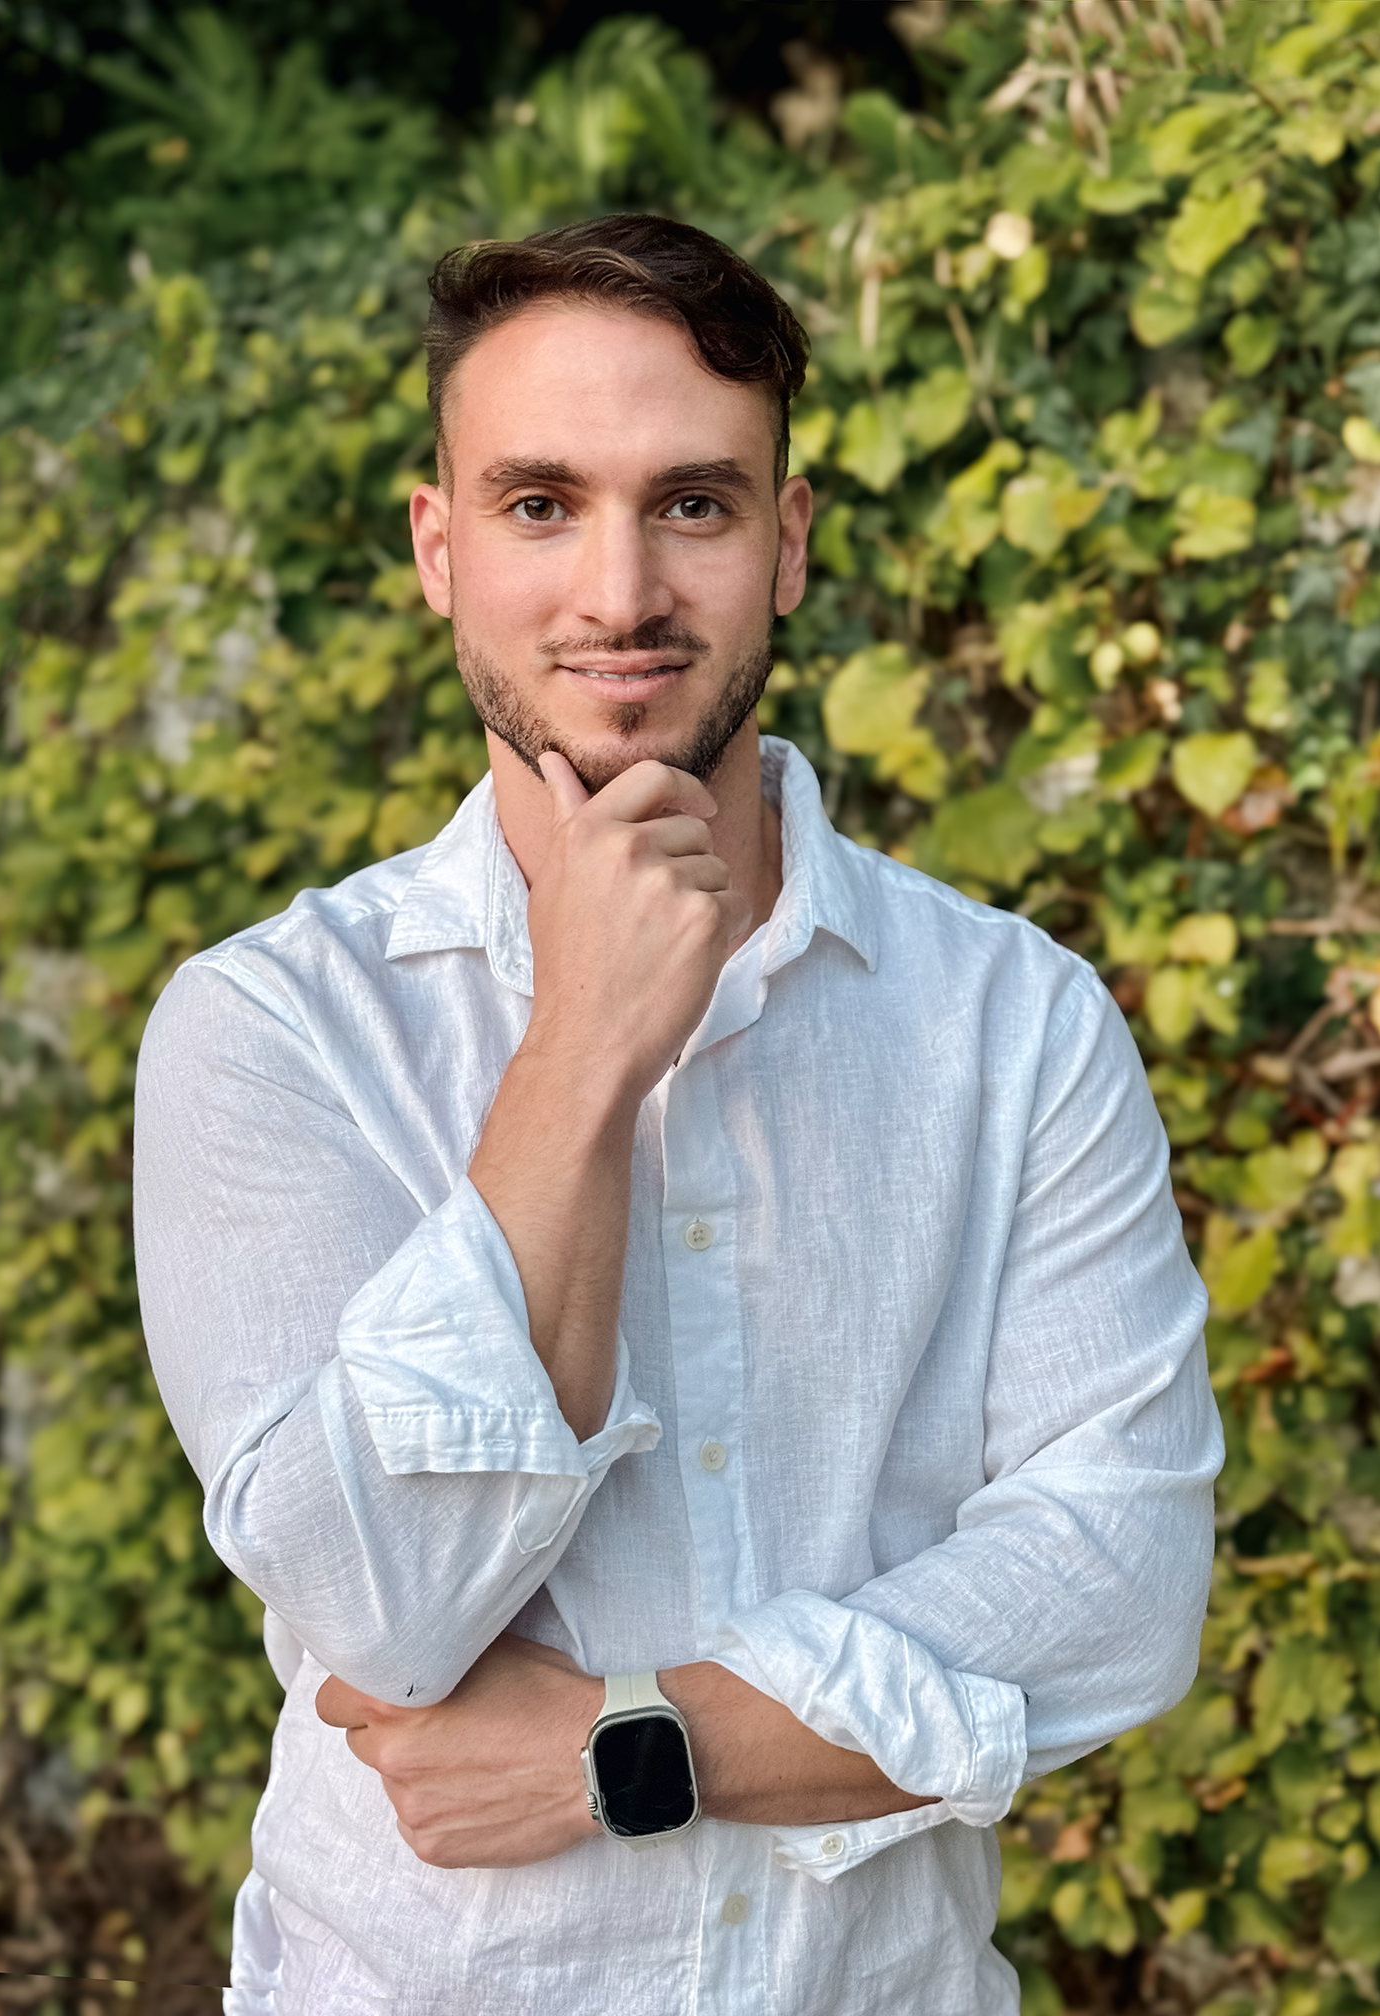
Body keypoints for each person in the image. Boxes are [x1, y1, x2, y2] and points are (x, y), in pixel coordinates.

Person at [134, 214, 1222, 2016]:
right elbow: (387, 1606)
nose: (619, 591)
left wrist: (629, 1750)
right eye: (542, 504)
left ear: (785, 546)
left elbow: (1116, 1584)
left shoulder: (1010, 1019)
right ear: (441, 548)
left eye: (697, 505)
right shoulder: (269, 1031)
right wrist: (580, 1052)